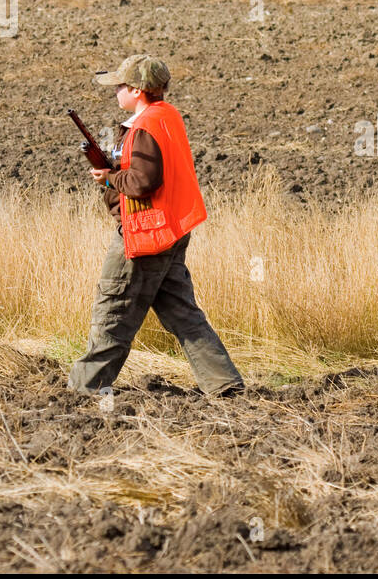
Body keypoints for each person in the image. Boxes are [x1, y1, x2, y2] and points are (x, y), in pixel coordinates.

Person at [67, 54, 245, 397]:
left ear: (136, 90)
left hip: (144, 233)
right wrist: (117, 168)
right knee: (182, 312)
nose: (116, 90)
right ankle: (224, 384)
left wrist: (109, 178)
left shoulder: (145, 126)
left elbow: (144, 182)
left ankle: (85, 387)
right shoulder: (167, 115)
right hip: (171, 229)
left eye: (120, 85)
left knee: (114, 309)